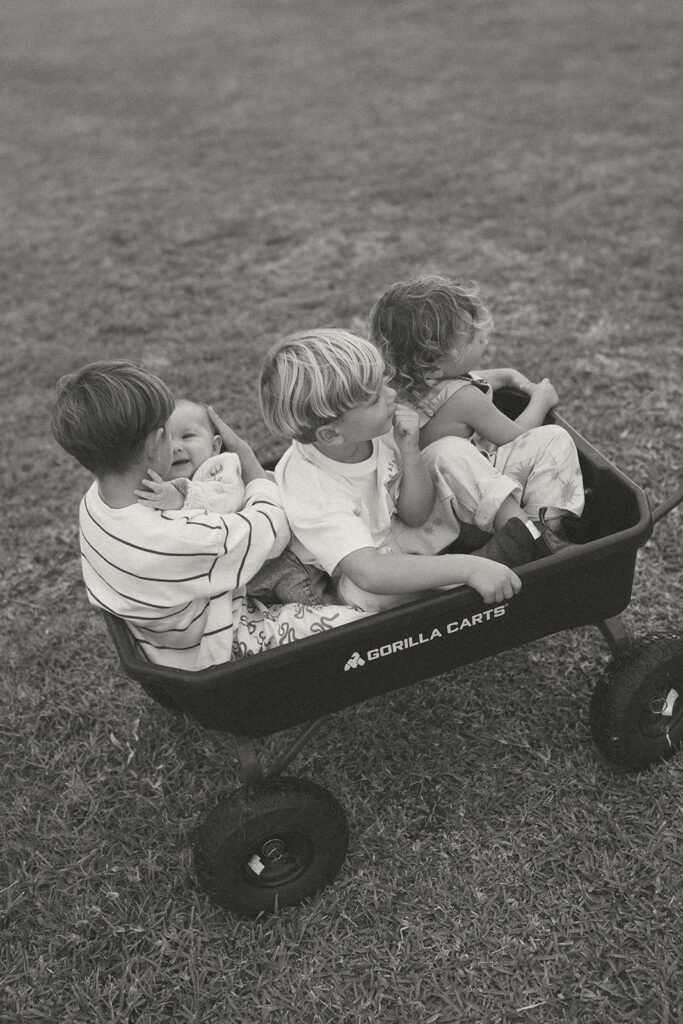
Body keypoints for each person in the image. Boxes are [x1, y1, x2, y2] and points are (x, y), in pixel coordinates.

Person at [51, 360, 365, 672]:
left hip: (167, 638)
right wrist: (246, 457)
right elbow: (272, 526)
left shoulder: (95, 500)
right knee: (357, 625)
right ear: (157, 443)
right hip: (221, 643)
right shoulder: (182, 539)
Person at [259, 329, 551, 615]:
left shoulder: (371, 431)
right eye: (373, 398)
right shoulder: (313, 487)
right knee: (360, 592)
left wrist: (410, 453)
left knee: (449, 450)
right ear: (331, 435)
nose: (391, 394)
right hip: (373, 566)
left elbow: (415, 514)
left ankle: (533, 542)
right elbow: (369, 572)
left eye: (382, 383)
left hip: (405, 535)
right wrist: (468, 567)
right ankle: (473, 571)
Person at [369, 274, 585, 546]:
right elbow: (516, 435)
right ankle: (544, 530)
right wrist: (540, 398)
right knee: (554, 439)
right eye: (471, 336)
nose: (483, 338)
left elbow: (490, 376)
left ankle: (528, 529)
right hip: (464, 510)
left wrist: (515, 379)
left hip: (440, 502)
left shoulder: (411, 385)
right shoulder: (465, 399)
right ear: (434, 365)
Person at [135, 398, 338, 606]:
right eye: (166, 441)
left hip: (282, 563)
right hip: (242, 574)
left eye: (187, 436)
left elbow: (225, 497)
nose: (177, 447)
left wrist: (179, 497)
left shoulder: (220, 467)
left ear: (215, 446)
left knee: (309, 599)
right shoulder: (167, 485)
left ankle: (349, 624)